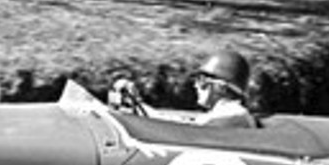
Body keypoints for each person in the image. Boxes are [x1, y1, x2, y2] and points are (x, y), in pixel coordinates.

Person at [110, 49, 257, 129]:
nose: (196, 85)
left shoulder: (233, 116)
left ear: (221, 87)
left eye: (202, 81)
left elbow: (183, 130)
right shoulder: (226, 114)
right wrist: (141, 107)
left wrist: (141, 108)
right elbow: (182, 122)